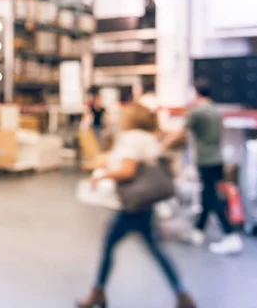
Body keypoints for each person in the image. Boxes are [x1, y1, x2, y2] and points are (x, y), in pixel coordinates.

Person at [78, 102, 196, 308]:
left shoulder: (130, 139)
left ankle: (97, 292)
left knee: (108, 247)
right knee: (156, 250)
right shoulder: (149, 139)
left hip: (130, 206)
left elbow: (127, 170)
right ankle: (181, 293)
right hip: (145, 205)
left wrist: (101, 174)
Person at [162, 79, 243, 255]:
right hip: (217, 159)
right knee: (207, 196)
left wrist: (160, 146)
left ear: (196, 92)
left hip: (205, 160)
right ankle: (198, 232)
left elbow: (180, 133)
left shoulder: (196, 112)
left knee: (211, 197)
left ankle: (231, 235)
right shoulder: (215, 110)